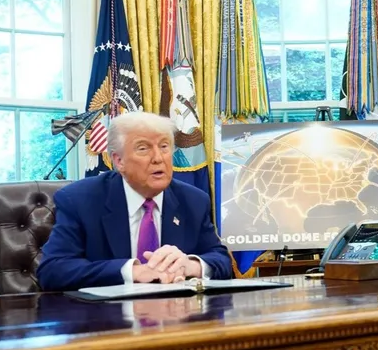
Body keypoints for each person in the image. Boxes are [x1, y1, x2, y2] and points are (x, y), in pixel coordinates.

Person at [38, 112, 233, 291]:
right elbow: (53, 270)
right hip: (106, 315)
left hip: (176, 313)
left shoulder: (193, 201)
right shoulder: (80, 200)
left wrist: (190, 265)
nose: (158, 158)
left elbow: (221, 260)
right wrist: (132, 272)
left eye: (164, 146)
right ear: (119, 161)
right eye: (143, 148)